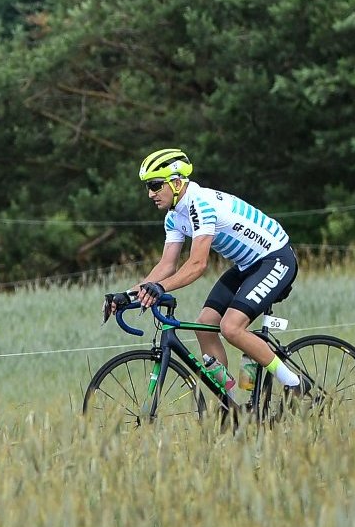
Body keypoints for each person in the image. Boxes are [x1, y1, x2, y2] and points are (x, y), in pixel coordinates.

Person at [129, 148, 307, 398]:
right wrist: (129, 295)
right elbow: (167, 265)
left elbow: (197, 264)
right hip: (246, 265)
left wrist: (160, 288)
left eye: (156, 185)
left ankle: (295, 383)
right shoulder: (174, 217)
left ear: (177, 182)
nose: (150, 193)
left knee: (231, 327)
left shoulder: (201, 204)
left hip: (275, 258)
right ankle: (230, 405)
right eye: (148, 186)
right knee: (204, 325)